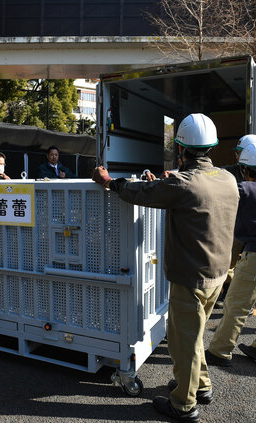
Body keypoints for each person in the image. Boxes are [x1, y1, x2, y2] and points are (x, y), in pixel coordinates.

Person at [91, 113, 237, 422]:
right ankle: (202, 385)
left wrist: (109, 183)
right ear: (209, 148)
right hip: (219, 274)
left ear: (181, 150)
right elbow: (179, 195)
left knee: (183, 340)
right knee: (194, 334)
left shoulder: (184, 183)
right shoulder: (227, 179)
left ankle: (183, 404)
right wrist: (161, 184)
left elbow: (142, 193)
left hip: (191, 278)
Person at [205, 142, 256, 368]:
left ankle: (220, 350)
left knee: (236, 303)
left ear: (244, 169)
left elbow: (215, 195)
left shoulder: (243, 189)